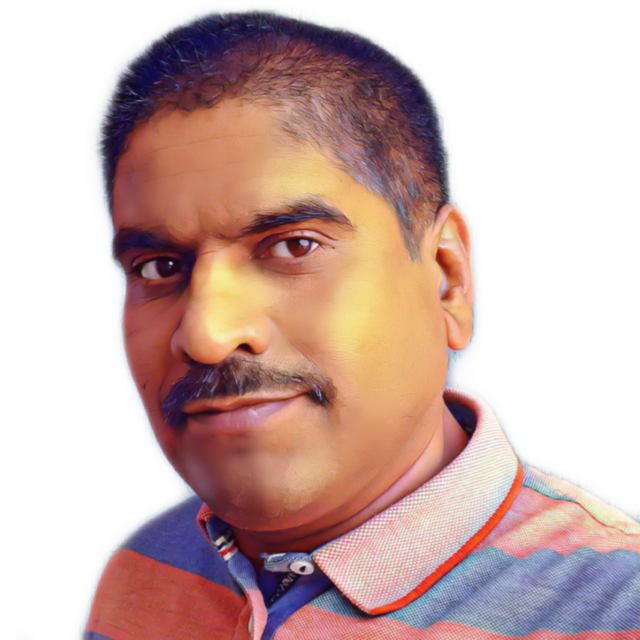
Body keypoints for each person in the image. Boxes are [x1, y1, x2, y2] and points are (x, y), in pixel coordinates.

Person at [74, 3, 639, 638]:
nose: (207, 334)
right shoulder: (145, 564)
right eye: (158, 267)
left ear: (448, 278)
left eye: (293, 246)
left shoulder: (617, 613)